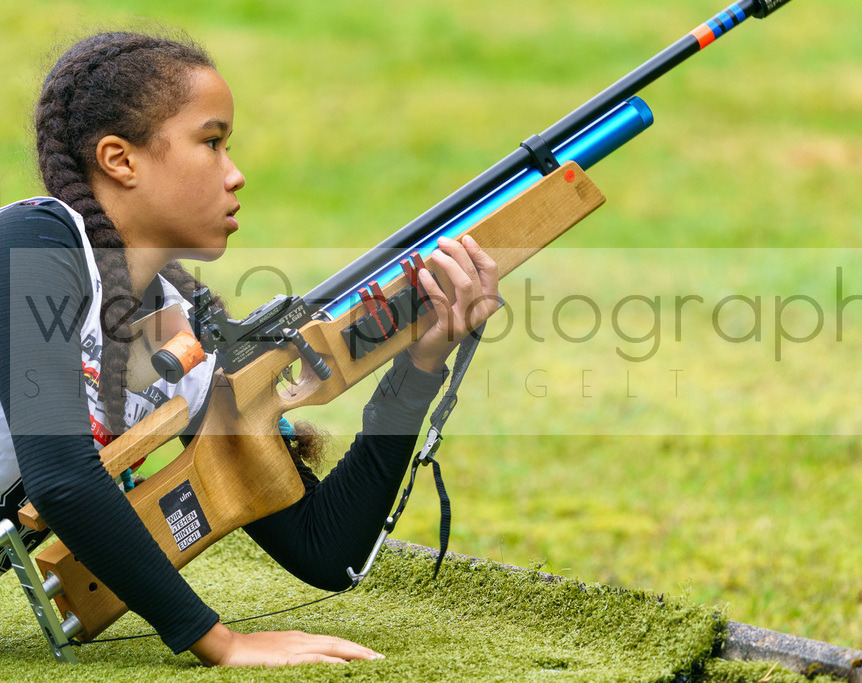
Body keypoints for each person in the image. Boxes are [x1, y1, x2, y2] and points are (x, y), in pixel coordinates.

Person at [0, 31, 500, 666]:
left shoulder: (179, 334)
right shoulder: (35, 240)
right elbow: (63, 479)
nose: (235, 174)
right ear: (120, 160)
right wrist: (219, 640)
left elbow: (325, 547)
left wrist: (419, 366)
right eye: (211, 142)